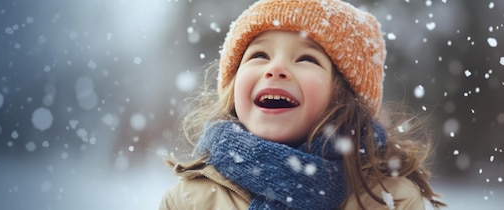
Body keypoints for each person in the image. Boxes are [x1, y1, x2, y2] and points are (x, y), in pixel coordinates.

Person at [160, 0, 446, 209]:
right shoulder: (189, 200)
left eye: (306, 59)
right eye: (259, 54)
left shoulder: (389, 199)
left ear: (344, 96)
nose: (275, 69)